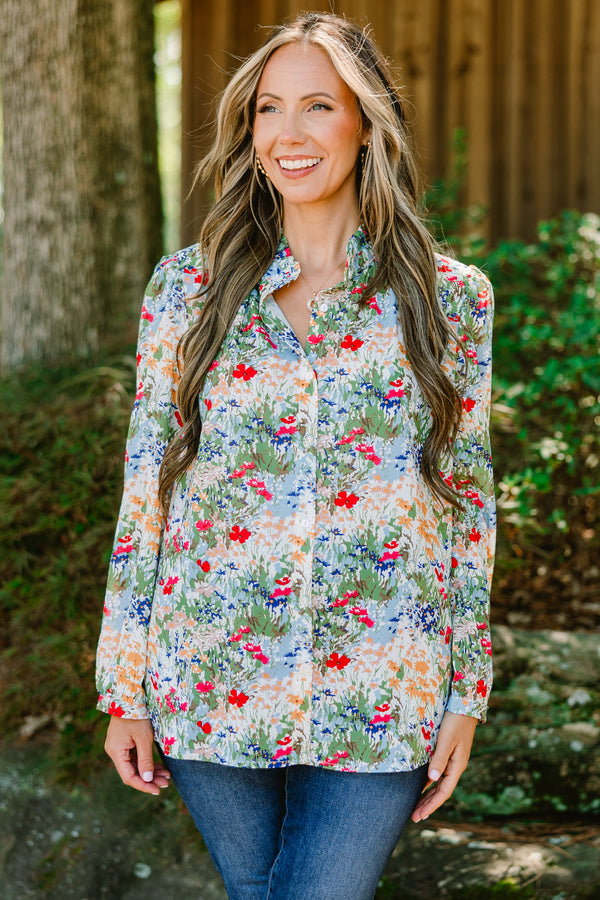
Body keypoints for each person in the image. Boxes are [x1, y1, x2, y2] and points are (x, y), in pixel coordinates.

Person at [96, 12, 495, 900]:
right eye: (269, 109)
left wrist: (467, 690)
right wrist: (124, 687)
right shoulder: (187, 290)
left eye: (319, 105)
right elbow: (147, 488)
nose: (290, 133)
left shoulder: (450, 299)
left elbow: (468, 500)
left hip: (383, 689)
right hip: (210, 670)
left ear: (367, 121)